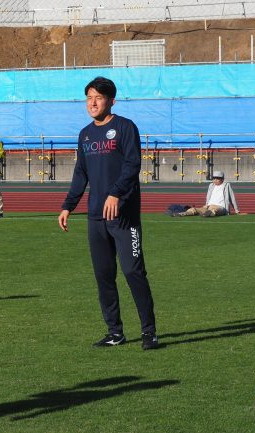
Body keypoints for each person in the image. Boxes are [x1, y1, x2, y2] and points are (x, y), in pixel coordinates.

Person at [58, 76, 159, 350]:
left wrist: (116, 193)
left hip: (124, 216)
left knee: (133, 271)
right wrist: (68, 205)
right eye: (89, 98)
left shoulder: (125, 127)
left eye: (98, 98)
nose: (92, 103)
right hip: (96, 217)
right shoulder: (85, 134)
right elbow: (81, 173)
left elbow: (132, 165)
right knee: (104, 275)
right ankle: (115, 332)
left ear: (111, 101)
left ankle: (149, 332)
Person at [173, 171, 240, 217]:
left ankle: (208, 214)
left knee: (214, 210)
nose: (215, 180)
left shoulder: (227, 185)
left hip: (221, 207)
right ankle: (182, 214)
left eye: (217, 178)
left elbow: (232, 198)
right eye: (214, 178)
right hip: (208, 206)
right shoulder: (211, 185)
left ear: (222, 179)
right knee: (195, 209)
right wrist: (206, 205)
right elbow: (208, 196)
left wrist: (236, 210)